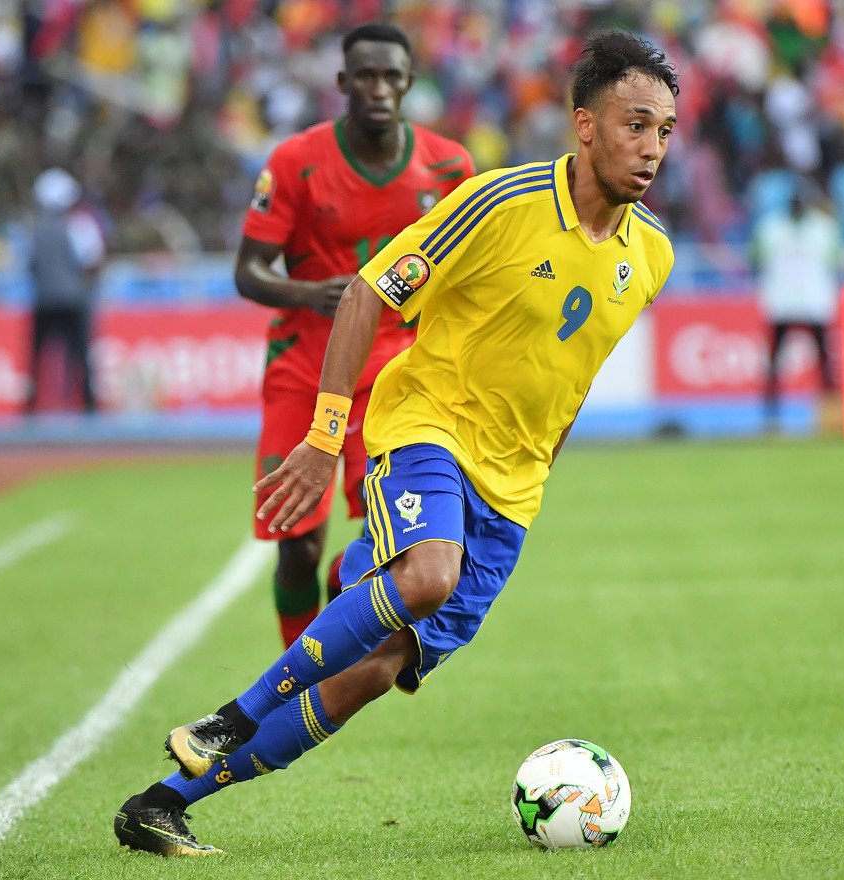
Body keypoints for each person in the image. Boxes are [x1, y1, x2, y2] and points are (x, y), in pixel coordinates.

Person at [113, 30, 678, 857]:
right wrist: (323, 436)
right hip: (427, 426)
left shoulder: (652, 253)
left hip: (513, 490)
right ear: (585, 125)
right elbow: (366, 293)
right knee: (427, 574)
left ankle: (161, 803)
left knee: (374, 670)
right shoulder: (501, 201)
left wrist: (535, 475)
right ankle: (229, 718)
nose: (653, 147)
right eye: (635, 125)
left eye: (664, 130)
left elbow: (573, 373)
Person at [236, 22, 473, 648]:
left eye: (391, 76)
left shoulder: (449, 166)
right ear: (343, 82)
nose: (379, 88)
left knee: (387, 537)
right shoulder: (295, 161)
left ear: (409, 82)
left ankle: (332, 637)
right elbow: (248, 270)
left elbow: (467, 278)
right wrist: (308, 293)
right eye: (365, 75)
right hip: (304, 367)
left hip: (395, 372)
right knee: (297, 544)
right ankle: (293, 669)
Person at [751, 186, 843, 430]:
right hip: (783, 300)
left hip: (813, 300)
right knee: (775, 362)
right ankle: (771, 416)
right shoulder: (771, 227)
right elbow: (756, 257)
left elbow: (756, 259)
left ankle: (831, 414)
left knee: (825, 362)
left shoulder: (823, 228)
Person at [23, 168, 105, 414]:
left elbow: (31, 264)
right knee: (81, 355)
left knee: (37, 357)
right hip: (73, 300)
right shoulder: (77, 225)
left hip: (45, 299)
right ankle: (88, 406)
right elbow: (90, 260)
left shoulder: (35, 228)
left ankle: (31, 407)